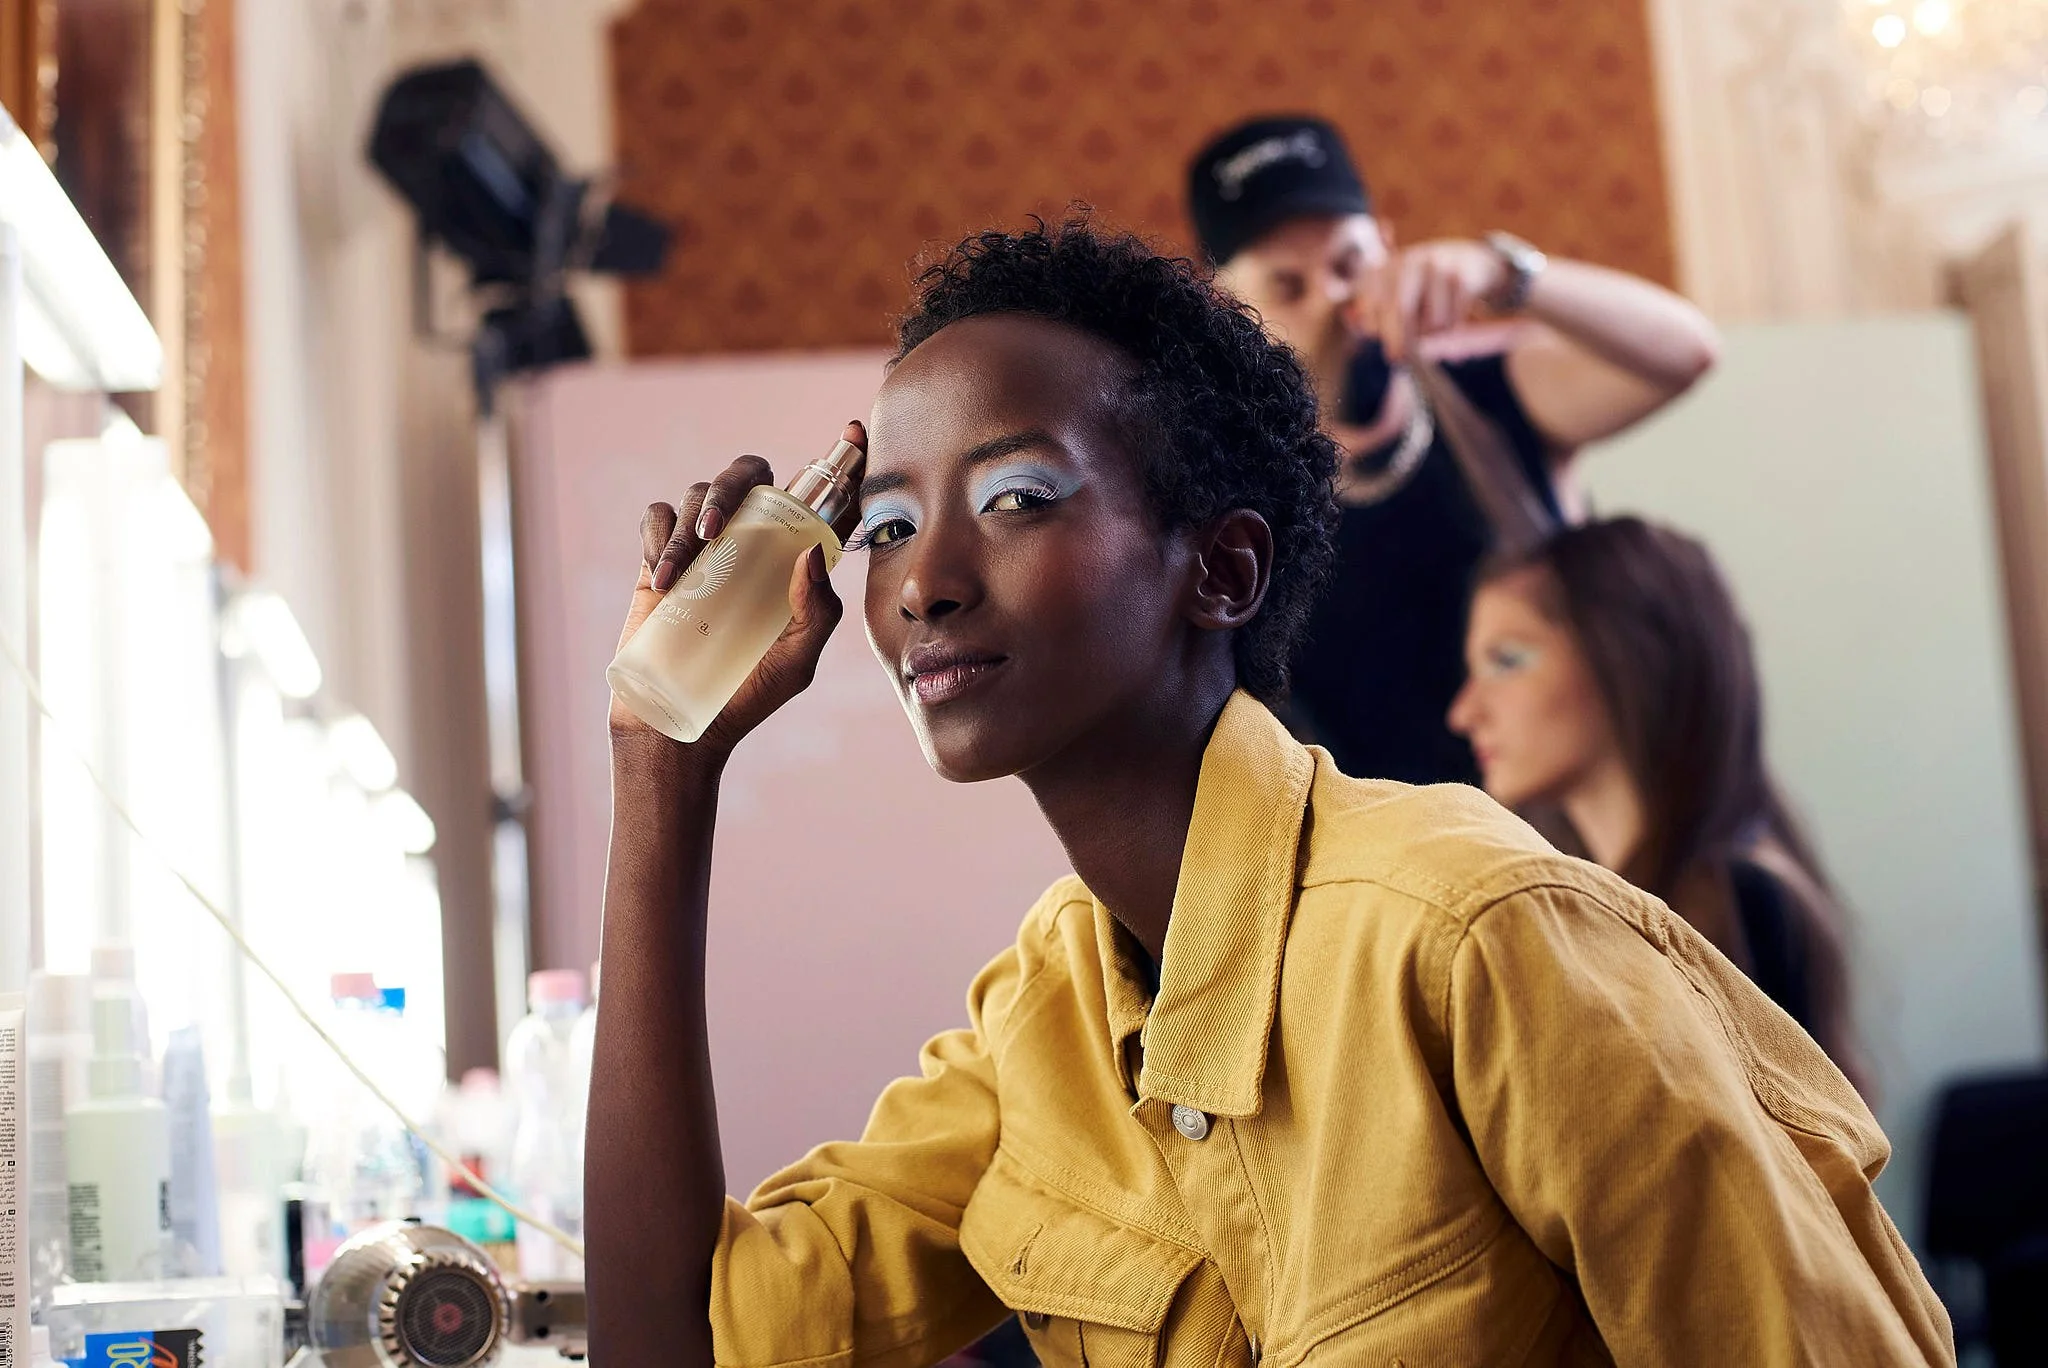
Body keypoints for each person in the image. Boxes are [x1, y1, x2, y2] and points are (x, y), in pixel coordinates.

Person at [586, 221, 1952, 1366]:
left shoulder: (1475, 936)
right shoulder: (1044, 1028)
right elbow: (683, 1343)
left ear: (1220, 572)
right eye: (885, 524)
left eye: (1013, 498)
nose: (924, 578)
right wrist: (662, 764)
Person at [1189, 115, 1721, 784]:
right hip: (1400, 872)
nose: (1335, 299)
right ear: (1228, 307)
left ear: (1388, 245)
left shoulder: (1491, 396)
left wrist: (1505, 272)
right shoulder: (1228, 505)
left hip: (1579, 850)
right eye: (1288, 287)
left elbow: (1688, 353)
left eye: (1351, 263)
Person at [1448, 516, 1870, 1093]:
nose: (1466, 713)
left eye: (1507, 661)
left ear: (1625, 655)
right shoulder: (1589, 909)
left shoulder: (1746, 900)